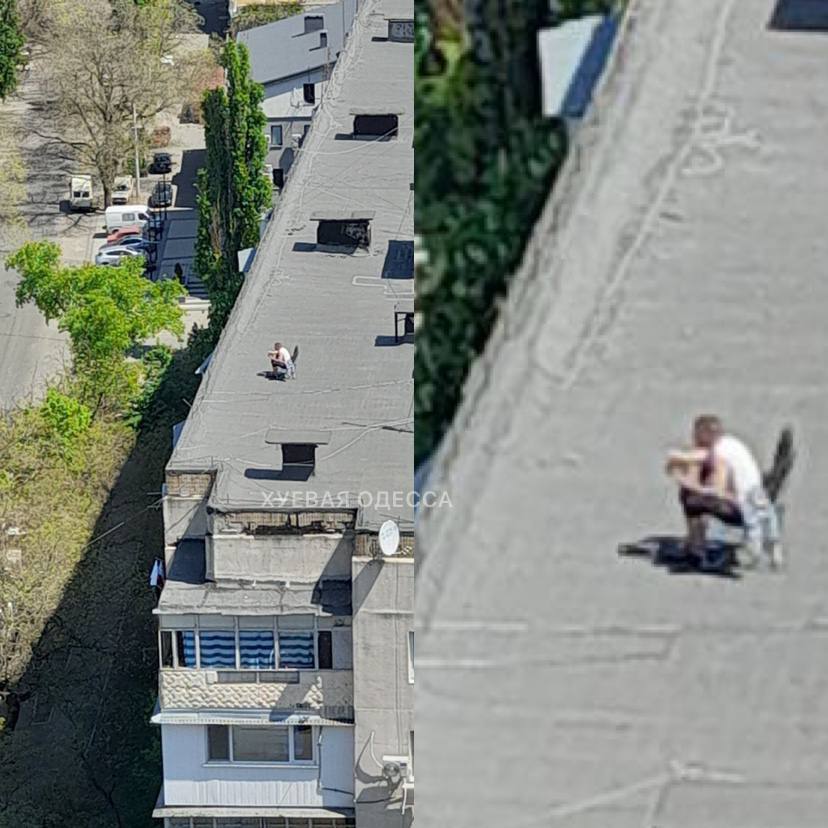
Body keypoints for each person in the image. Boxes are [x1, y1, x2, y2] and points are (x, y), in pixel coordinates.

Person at [666, 415, 780, 570]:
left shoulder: (719, 455)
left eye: (695, 434)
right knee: (697, 485)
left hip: (742, 511)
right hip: (758, 506)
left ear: (704, 435)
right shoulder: (729, 444)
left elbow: (717, 492)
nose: (693, 437)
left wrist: (684, 480)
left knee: (691, 498)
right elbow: (693, 459)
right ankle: (695, 544)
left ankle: (697, 551)